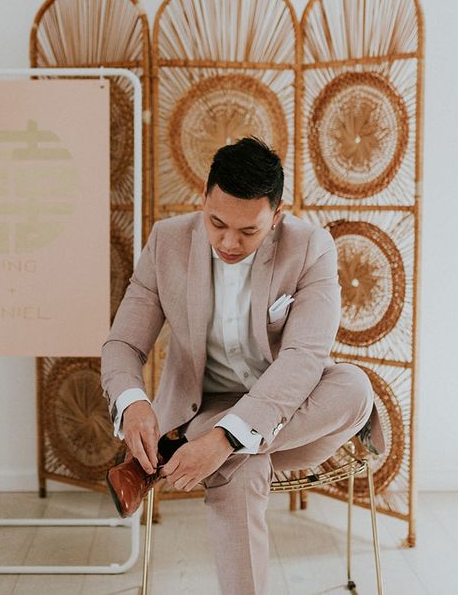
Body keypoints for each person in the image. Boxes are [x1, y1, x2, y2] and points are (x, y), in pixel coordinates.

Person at [101, 136, 383, 595]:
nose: (229, 242)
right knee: (241, 469)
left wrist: (223, 439)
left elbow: (303, 359)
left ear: (276, 216)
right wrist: (133, 403)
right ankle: (210, 447)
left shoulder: (312, 247)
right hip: (203, 408)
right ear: (204, 200)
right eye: (216, 224)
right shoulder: (166, 242)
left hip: (294, 412)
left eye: (248, 232)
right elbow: (123, 342)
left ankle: (174, 455)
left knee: (354, 385)